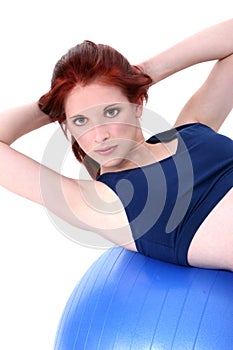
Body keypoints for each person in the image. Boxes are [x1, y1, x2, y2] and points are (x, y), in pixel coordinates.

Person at [0, 19, 232, 271]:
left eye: (111, 112)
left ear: (138, 105)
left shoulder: (192, 128)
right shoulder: (102, 203)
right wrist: (55, 104)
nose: (99, 135)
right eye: (80, 120)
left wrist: (143, 72)